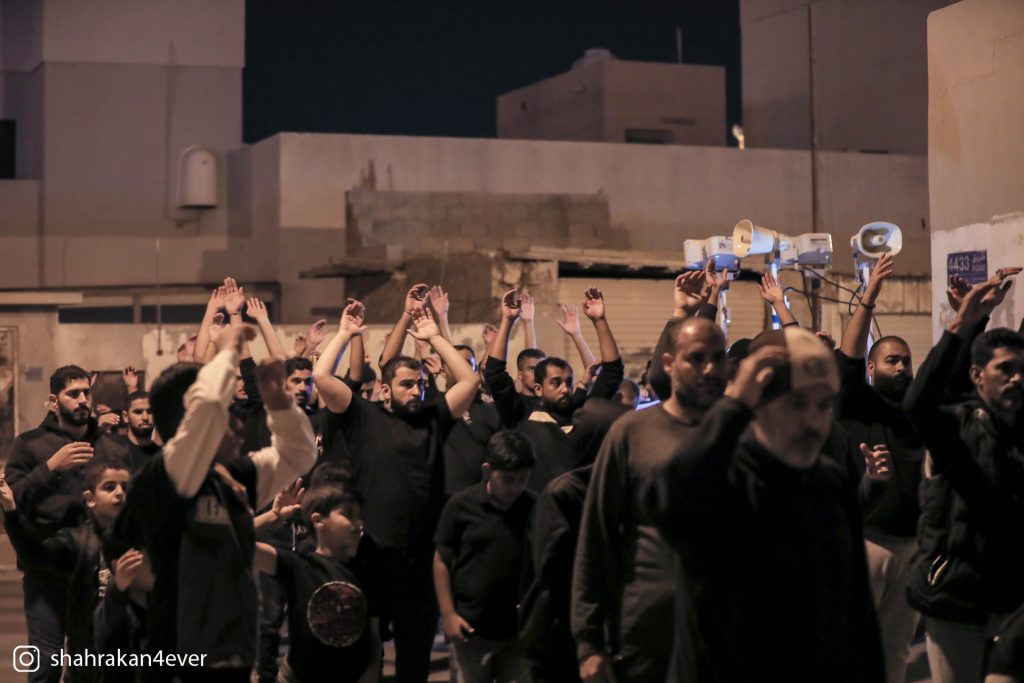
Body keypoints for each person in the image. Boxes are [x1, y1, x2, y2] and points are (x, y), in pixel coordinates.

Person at [646, 327, 884, 681]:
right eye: (796, 404)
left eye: (823, 405)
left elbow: (857, 614)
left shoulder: (828, 483)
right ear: (758, 404)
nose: (813, 423)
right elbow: (669, 498)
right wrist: (734, 406)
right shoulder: (723, 478)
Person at [113, 323, 317, 682]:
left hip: (232, 654)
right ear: (189, 418)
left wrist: (279, 403)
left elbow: (298, 455)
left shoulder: (232, 476)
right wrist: (225, 351)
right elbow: (206, 407)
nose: (238, 422)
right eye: (228, 412)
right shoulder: (163, 478)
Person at [313, 298, 479, 683]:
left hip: (420, 560)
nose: (416, 390)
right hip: (370, 556)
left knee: (414, 659)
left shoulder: (433, 419)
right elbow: (322, 377)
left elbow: (469, 381)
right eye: (406, 384)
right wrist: (344, 333)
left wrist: (435, 336)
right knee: (364, 655)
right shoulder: (362, 416)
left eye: (419, 384)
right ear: (385, 391)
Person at [572, 316, 728, 683]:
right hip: (647, 631)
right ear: (669, 363)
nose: (709, 369)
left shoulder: (741, 434)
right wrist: (588, 643)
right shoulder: (632, 432)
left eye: (717, 358)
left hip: (725, 633)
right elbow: (597, 536)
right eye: (696, 358)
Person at [902, 268, 1024, 683]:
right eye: (1005, 369)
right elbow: (920, 403)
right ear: (978, 376)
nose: (1016, 378)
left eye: (1022, 370)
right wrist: (962, 323)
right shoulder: (957, 429)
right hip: (956, 600)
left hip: (1012, 603)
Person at [4, 364, 128, 683]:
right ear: (54, 401)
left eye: (86, 392)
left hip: (97, 573)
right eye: (73, 394)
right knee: (46, 665)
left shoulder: (111, 446)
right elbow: (12, 499)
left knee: (88, 666)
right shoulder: (29, 444)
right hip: (46, 572)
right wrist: (50, 467)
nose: (83, 399)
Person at [835, 252, 925, 683]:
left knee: (896, 649)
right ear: (872, 368)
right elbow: (848, 358)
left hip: (911, 546)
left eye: (906, 360)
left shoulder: (918, 410)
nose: (902, 366)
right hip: (868, 541)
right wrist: (868, 297)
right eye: (892, 360)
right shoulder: (858, 402)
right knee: (851, 645)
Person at [520, 399, 629, 683]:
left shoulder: (612, 486)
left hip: (592, 630)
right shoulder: (564, 493)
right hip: (559, 634)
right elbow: (551, 571)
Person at [2, 461, 133, 683]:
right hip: (87, 657)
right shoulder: (77, 541)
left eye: (126, 487)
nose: (120, 493)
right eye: (110, 487)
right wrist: (11, 511)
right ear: (90, 498)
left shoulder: (141, 539)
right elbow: (36, 556)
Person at [484, 288, 623, 491]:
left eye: (569, 382)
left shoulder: (582, 412)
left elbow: (611, 374)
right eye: (556, 383)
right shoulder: (521, 412)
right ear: (539, 388)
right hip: (535, 506)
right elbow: (494, 373)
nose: (565, 389)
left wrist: (599, 320)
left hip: (575, 506)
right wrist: (507, 321)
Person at [433, 431, 537, 683]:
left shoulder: (534, 507)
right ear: (487, 471)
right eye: (508, 480)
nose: (515, 488)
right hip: (471, 630)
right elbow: (441, 561)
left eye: (522, 480)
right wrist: (448, 615)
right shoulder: (461, 505)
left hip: (517, 632)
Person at [255, 482, 382, 683]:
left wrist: (372, 672)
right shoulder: (299, 566)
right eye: (347, 515)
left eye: (359, 516)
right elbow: (234, 540)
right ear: (318, 520)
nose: (358, 523)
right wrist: (275, 516)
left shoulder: (366, 566)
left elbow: (374, 632)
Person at [120, 390, 161, 473]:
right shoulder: (114, 451)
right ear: (126, 416)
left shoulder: (163, 456)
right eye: (138, 412)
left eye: (150, 412)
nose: (145, 417)